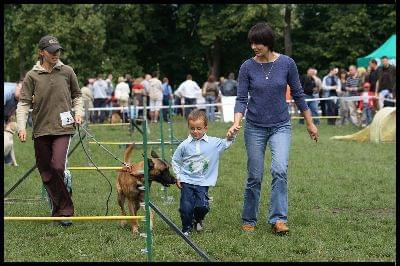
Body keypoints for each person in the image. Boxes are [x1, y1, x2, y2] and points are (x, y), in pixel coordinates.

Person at [226, 22, 319, 234]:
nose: (254, 47)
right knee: (255, 175)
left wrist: (310, 123)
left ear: (268, 42)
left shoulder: (287, 63)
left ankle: (278, 219)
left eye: (257, 43)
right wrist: (236, 122)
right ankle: (249, 218)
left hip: (281, 126)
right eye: (252, 43)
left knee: (279, 169)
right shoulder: (246, 67)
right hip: (254, 127)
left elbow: (298, 94)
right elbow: (241, 99)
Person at [16, 35, 83, 226]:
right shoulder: (32, 75)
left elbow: (77, 95)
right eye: (51, 51)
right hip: (41, 129)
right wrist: (21, 127)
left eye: (58, 51)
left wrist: (78, 112)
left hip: (63, 127)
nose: (56, 54)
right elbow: (23, 103)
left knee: (58, 167)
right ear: (41, 52)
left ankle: (66, 211)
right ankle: (59, 209)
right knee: (46, 171)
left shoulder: (67, 71)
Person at [172, 109, 236, 236]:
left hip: (203, 182)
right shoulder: (184, 145)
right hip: (187, 180)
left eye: (199, 128)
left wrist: (231, 136)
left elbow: (226, 143)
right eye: (192, 128)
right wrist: (178, 176)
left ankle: (198, 219)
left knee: (203, 206)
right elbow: (175, 160)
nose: (195, 131)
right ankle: (186, 229)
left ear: (205, 128)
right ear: (189, 128)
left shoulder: (213, 143)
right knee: (186, 207)